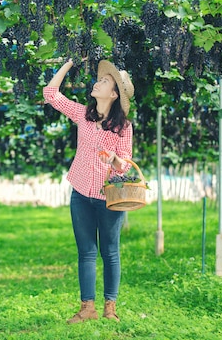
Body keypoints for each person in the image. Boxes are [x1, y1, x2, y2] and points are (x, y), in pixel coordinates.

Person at [43, 59, 134, 324]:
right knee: (86, 252)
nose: (97, 82)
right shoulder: (83, 114)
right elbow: (50, 94)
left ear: (114, 94)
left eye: (104, 81)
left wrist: (115, 160)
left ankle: (110, 308)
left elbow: (126, 165)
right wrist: (69, 63)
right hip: (81, 193)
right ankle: (87, 308)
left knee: (110, 252)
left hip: (109, 198)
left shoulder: (123, 127)